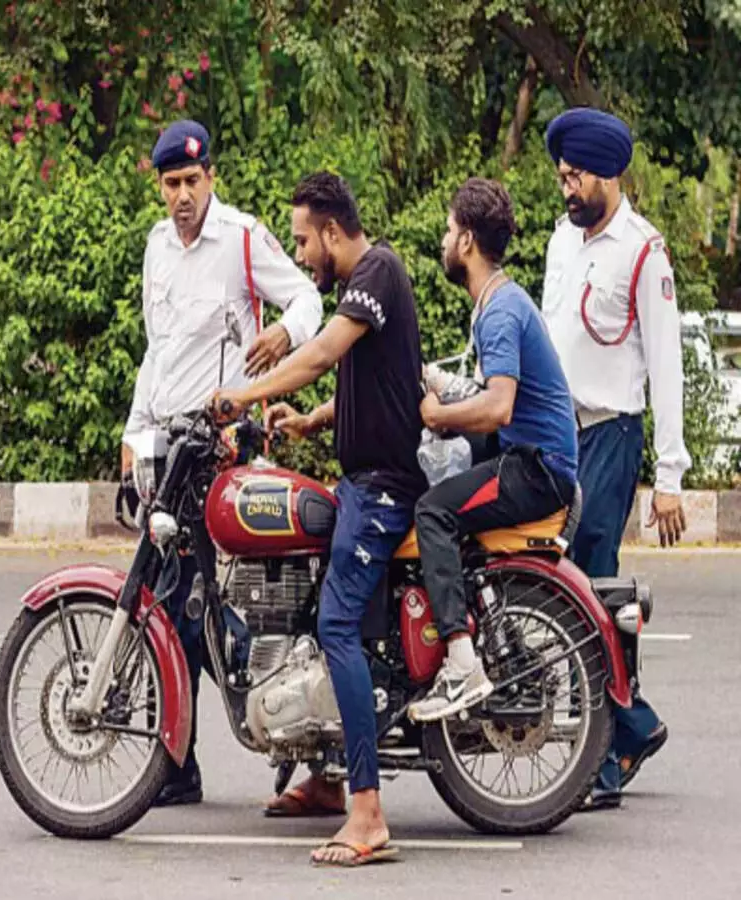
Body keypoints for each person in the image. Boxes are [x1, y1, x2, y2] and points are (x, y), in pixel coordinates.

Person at [210, 171, 427, 867]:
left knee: (335, 624)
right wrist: (310, 422)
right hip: (360, 481)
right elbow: (377, 382)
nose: (302, 255)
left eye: (304, 240)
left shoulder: (377, 271)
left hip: (383, 490)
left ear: (333, 231)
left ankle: (367, 811)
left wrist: (246, 394)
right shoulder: (368, 282)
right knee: (314, 609)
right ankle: (328, 779)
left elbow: (325, 351)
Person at [123, 120, 324, 808]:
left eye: (191, 181)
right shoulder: (156, 247)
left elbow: (309, 297)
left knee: (197, 601)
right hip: (167, 449)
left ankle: (198, 749)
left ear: (211, 177)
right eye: (171, 184)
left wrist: (282, 332)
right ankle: (195, 751)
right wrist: (133, 429)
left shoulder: (241, 238)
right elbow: (157, 350)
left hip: (222, 445)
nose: (182, 195)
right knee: (176, 601)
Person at [541, 107, 683, 809]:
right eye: (563, 176)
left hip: (610, 435)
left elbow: (667, 365)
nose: (567, 190)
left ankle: (602, 754)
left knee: (586, 589)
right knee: (568, 586)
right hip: (555, 435)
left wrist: (671, 478)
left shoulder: (643, 251)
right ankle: (632, 724)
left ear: (610, 174)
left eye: (577, 178)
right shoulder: (560, 244)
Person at [406, 178, 578, 723]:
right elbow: (483, 396)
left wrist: (438, 414)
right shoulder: (496, 302)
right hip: (529, 457)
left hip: (536, 469)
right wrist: (424, 378)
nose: (443, 239)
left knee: (432, 512)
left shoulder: (501, 310)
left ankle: (461, 659)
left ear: (467, 242)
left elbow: (498, 406)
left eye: (449, 228)